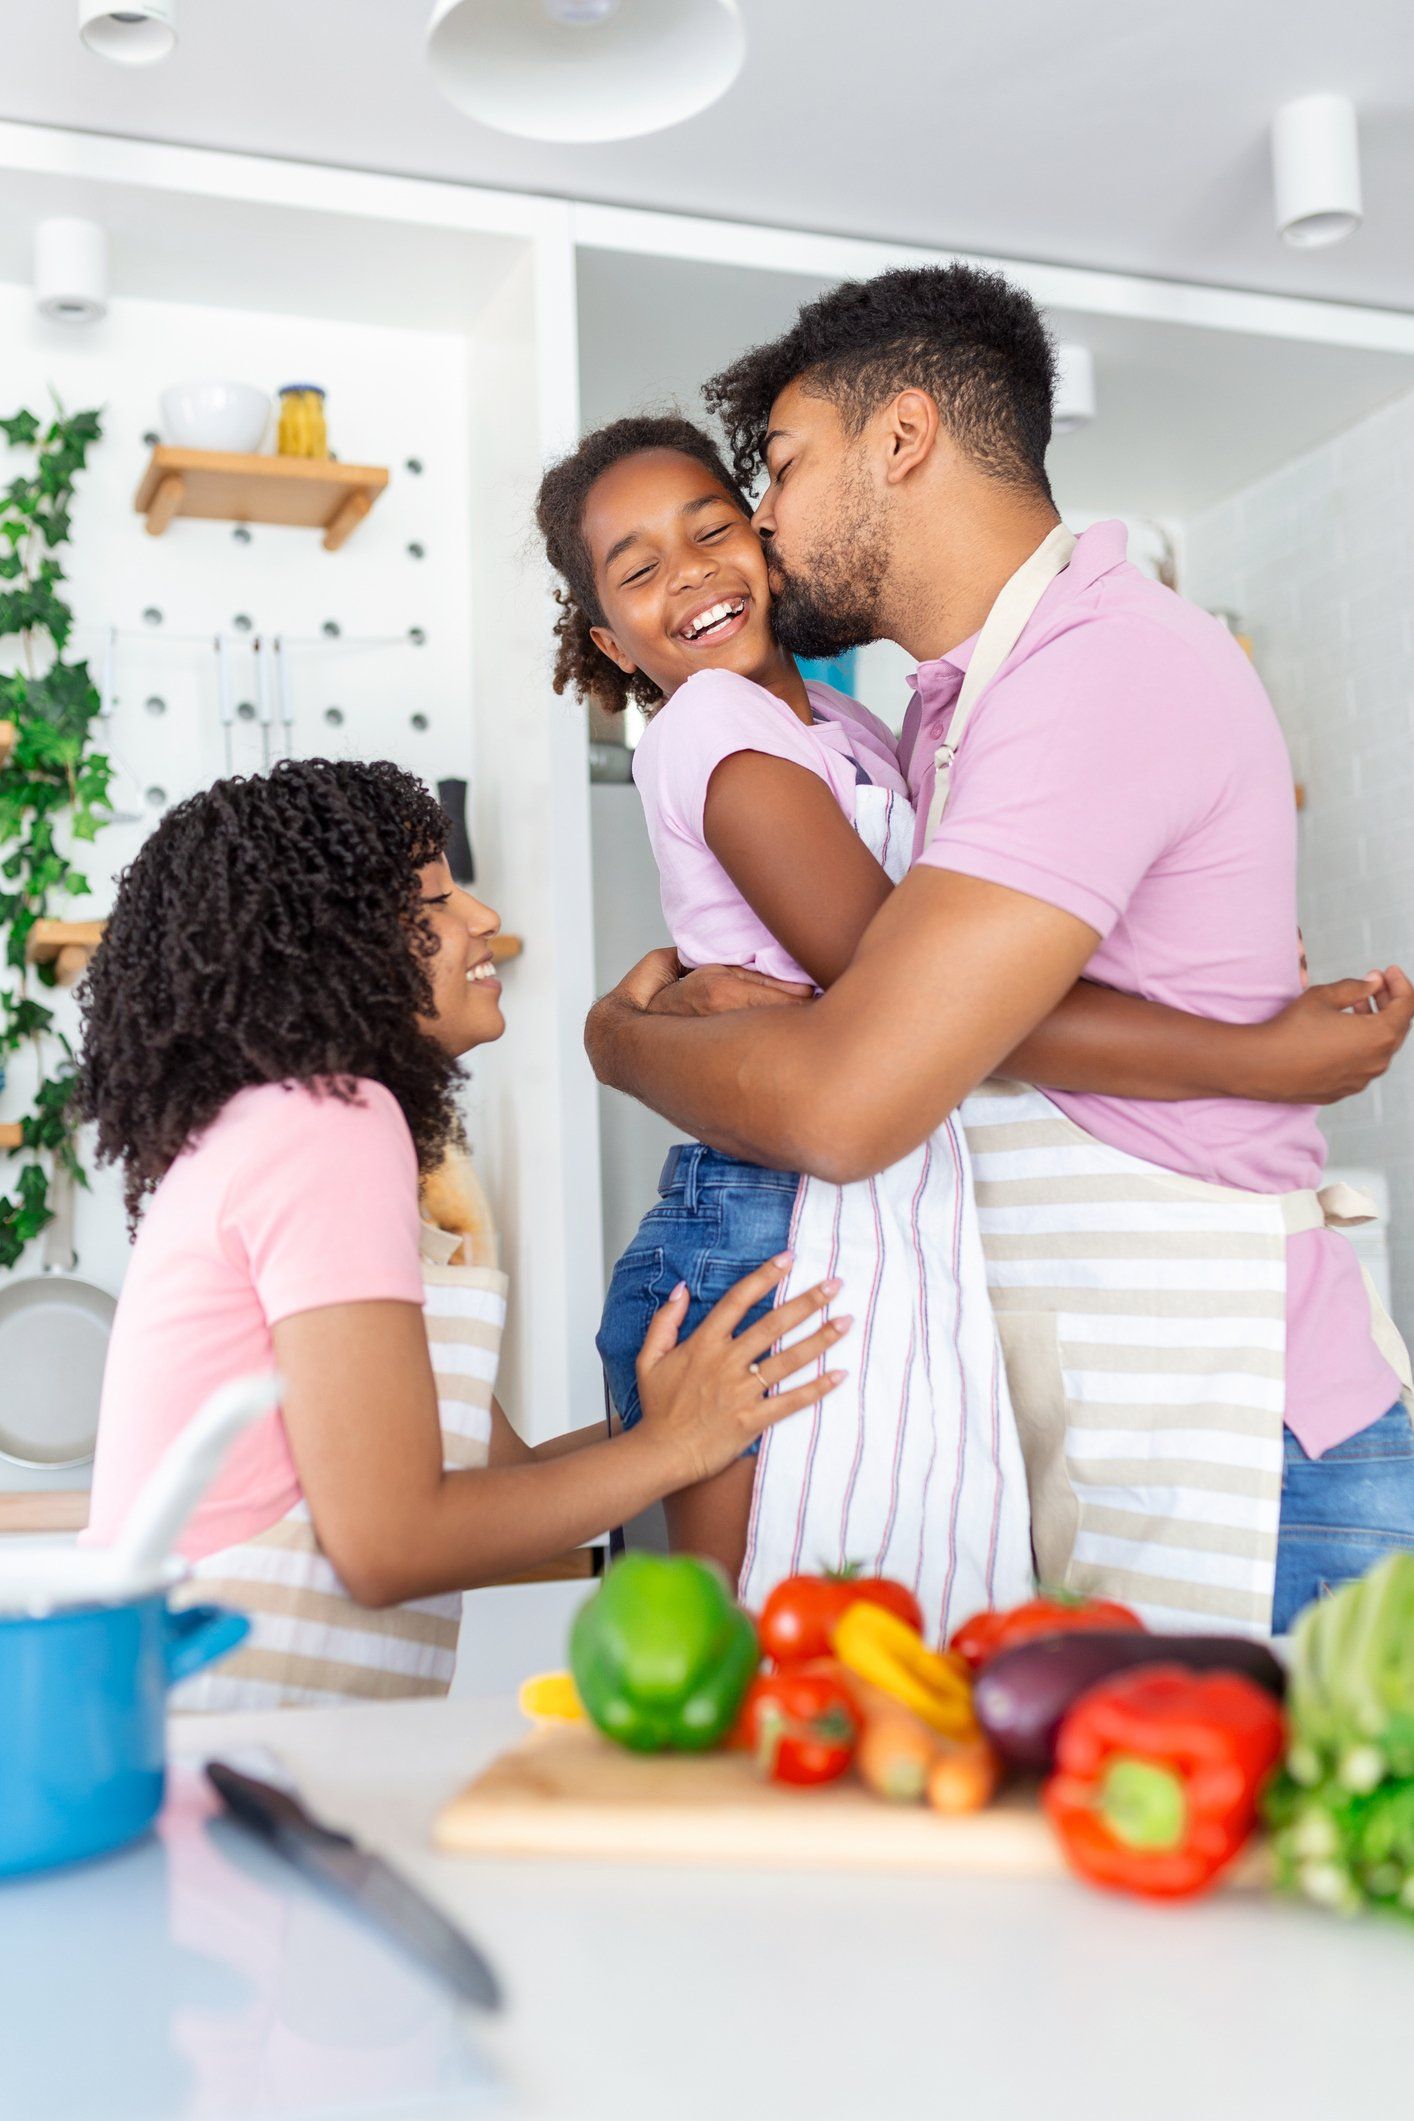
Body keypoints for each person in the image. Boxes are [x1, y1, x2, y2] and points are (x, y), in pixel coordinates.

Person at [584, 267, 1414, 1637]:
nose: (766, 523)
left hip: (1240, 1436)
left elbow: (858, 1094)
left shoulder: (1101, 667)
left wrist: (621, 1040)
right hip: (1100, 1405)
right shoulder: (946, 712)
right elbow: (943, 1012)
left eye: (780, 469)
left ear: (899, 440)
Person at [77, 759, 842, 1708]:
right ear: (331, 946)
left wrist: (675, 1418)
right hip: (210, 1717)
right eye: (433, 899)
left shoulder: (279, 1128)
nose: (480, 917)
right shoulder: (329, 1127)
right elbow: (391, 1547)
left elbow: (508, 1486)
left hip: (171, 1707)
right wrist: (673, 1447)